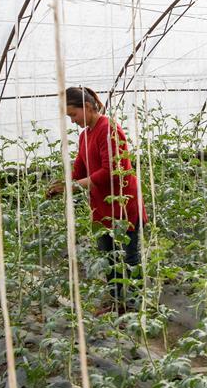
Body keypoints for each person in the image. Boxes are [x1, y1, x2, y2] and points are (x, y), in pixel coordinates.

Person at [46, 86, 148, 315]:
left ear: (88, 107)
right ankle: (116, 303)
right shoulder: (85, 136)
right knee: (109, 257)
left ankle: (133, 308)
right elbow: (79, 168)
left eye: (73, 115)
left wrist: (74, 185)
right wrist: (62, 186)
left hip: (123, 204)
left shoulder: (109, 129)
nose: (72, 121)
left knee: (129, 257)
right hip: (102, 208)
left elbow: (110, 171)